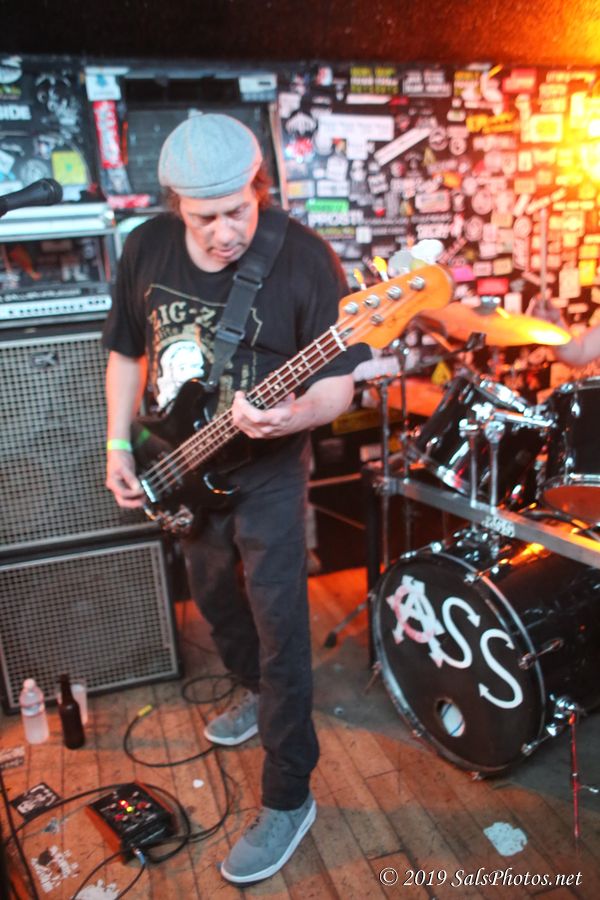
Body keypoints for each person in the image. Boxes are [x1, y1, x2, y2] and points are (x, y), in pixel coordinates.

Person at [102, 113, 369, 884]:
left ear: (260, 187)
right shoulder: (145, 247)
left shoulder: (304, 258)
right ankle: (253, 690)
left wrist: (294, 414)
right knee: (216, 598)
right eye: (205, 218)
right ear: (175, 206)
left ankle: (288, 796)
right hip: (180, 459)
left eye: (237, 212)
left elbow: (340, 384)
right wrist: (118, 445)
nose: (224, 234)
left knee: (281, 623)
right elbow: (126, 351)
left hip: (269, 468)